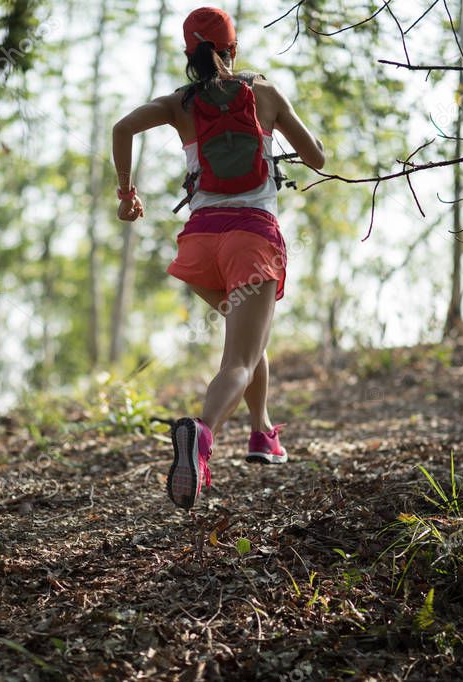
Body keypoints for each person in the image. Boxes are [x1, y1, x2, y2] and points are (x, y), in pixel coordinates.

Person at [111, 6, 325, 509]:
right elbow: (316, 158)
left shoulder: (179, 103)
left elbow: (121, 128)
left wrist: (127, 194)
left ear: (190, 53)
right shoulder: (264, 93)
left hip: (201, 245)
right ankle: (201, 434)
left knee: (249, 340)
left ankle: (262, 433)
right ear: (235, 48)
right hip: (252, 239)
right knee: (239, 360)